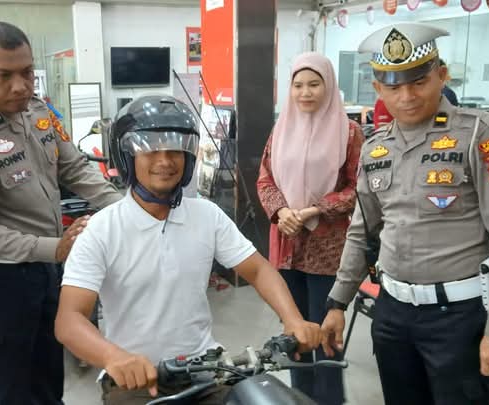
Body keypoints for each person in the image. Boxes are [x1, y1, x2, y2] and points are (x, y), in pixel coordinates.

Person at [55, 95, 324, 405]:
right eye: (151, 150)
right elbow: (69, 319)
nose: (165, 161)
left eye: (175, 150)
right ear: (127, 156)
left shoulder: (207, 215)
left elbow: (258, 270)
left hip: (206, 369)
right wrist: (113, 357)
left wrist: (293, 320)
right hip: (136, 379)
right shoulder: (101, 230)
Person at [320, 23, 489, 405]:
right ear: (378, 89)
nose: (406, 96)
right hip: (392, 314)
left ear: (441, 75)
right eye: (393, 87)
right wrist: (338, 302)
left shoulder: (480, 134)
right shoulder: (376, 148)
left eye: (419, 82)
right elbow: (362, 231)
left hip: (459, 319)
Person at [0, 22, 122, 405]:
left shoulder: (38, 111)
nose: (20, 86)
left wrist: (125, 210)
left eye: (27, 73)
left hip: (46, 272)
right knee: (14, 392)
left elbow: (74, 167)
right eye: (4, 75)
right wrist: (57, 248)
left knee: (49, 381)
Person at [256, 52, 363, 404]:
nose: (305, 92)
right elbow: (265, 179)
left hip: (327, 248)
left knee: (325, 332)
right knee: (295, 333)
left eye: (314, 84)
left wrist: (317, 209)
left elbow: (358, 187)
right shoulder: (281, 129)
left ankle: (330, 400)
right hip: (286, 243)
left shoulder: (349, 132)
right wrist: (281, 211)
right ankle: (300, 398)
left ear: (328, 85)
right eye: (298, 85)